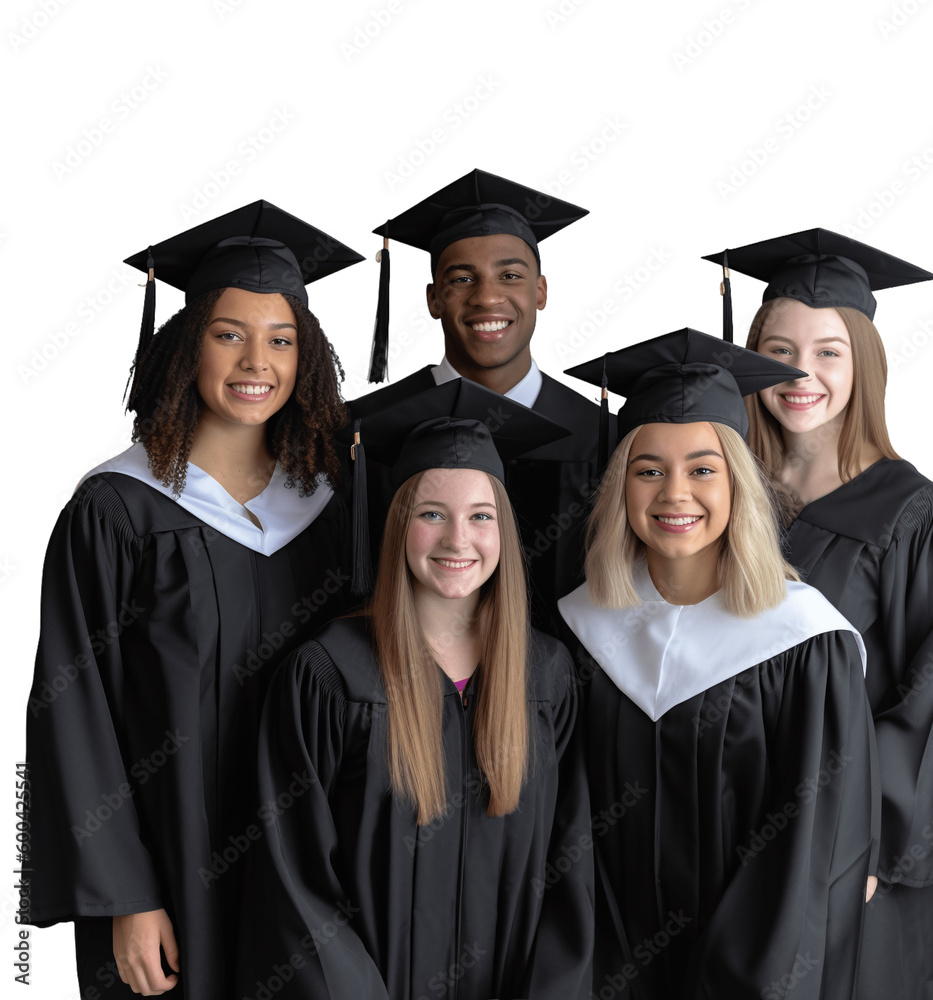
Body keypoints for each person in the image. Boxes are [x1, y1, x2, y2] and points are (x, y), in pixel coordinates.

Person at [24, 201, 362, 1000]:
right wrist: (126, 897)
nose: (258, 361)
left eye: (281, 339)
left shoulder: (332, 508)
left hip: (310, 867)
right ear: (185, 346)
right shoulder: (118, 510)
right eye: (228, 334)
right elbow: (76, 710)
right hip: (169, 867)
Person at [239, 379, 593, 1000]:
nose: (459, 540)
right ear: (398, 525)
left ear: (504, 532)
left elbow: (572, 868)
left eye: (481, 516)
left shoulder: (548, 675)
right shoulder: (329, 675)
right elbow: (292, 878)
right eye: (433, 514)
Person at [709, 228, 933, 1000]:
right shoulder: (713, 502)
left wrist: (863, 846)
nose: (801, 372)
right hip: (718, 832)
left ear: (864, 363)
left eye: (829, 350)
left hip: (843, 856)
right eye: (778, 347)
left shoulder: (915, 515)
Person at [558, 329, 878, 999]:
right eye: (648, 470)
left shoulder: (803, 643)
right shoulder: (576, 633)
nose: (675, 494)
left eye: (703, 469)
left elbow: (809, 856)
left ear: (739, 484)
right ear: (620, 486)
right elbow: (562, 838)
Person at [348, 168, 611, 632]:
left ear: (541, 291)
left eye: (509, 275)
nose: (487, 296)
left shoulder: (601, 435)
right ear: (434, 300)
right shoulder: (364, 428)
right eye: (463, 279)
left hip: (564, 692)